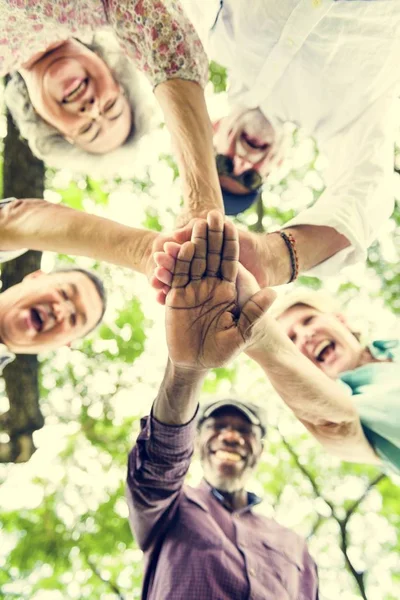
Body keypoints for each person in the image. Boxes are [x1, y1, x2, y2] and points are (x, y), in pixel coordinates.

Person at [126, 211, 318, 599]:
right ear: (197, 443)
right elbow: (157, 468)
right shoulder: (168, 510)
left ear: (260, 450)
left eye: (245, 430)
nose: (231, 435)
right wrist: (185, 371)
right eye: (217, 427)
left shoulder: (296, 547)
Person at [182, 0, 399, 280]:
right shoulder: (341, 120)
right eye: (251, 179)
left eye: (223, 164)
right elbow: (367, 194)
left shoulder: (211, 34)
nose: (242, 163)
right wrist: (273, 258)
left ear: (214, 127)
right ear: (278, 164)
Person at [151, 230, 394, 473]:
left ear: (342, 321)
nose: (306, 336)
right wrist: (256, 330)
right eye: (292, 338)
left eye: (308, 320)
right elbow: (336, 421)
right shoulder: (351, 409)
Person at [1, 0, 224, 222]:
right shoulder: (97, 8)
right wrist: (203, 201)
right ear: (114, 73)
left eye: (88, 129)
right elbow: (162, 35)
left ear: (49, 126)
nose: (92, 110)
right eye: (110, 106)